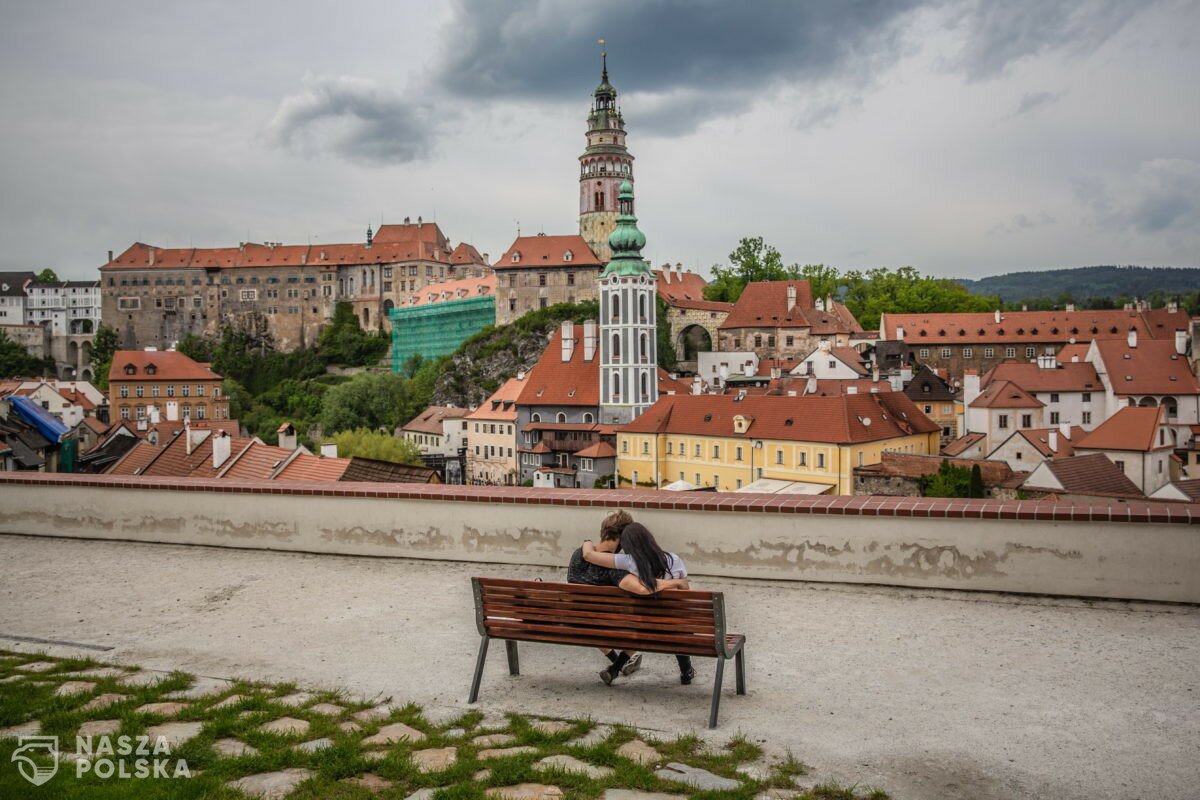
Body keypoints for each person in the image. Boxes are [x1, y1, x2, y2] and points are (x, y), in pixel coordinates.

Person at [582, 522, 696, 686]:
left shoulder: (627, 561)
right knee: (675, 626)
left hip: (643, 623)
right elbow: (685, 594)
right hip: (673, 626)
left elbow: (589, 556)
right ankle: (686, 671)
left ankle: (615, 668)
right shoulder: (673, 559)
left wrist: (587, 541)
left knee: (648, 626)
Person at [566, 510, 643, 677]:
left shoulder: (578, 554)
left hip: (578, 621)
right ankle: (619, 664)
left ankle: (616, 665)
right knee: (646, 623)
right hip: (606, 625)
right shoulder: (615, 566)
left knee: (590, 618)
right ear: (623, 536)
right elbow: (639, 588)